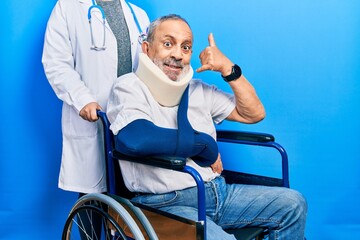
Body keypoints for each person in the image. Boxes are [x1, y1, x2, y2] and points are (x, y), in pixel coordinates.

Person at [107, 14, 307, 240]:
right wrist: (204, 145)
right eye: (167, 44)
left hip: (219, 192)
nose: (177, 54)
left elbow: (254, 113)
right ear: (147, 48)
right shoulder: (129, 87)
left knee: (293, 204)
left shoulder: (198, 89)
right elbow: (136, 139)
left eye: (186, 47)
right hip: (166, 204)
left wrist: (227, 69)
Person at [42, 0, 149, 195]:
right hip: (95, 118)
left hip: (132, 121)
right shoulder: (67, 7)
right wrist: (83, 99)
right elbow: (56, 63)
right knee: (92, 200)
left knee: (131, 200)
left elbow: (150, 68)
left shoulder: (139, 15)